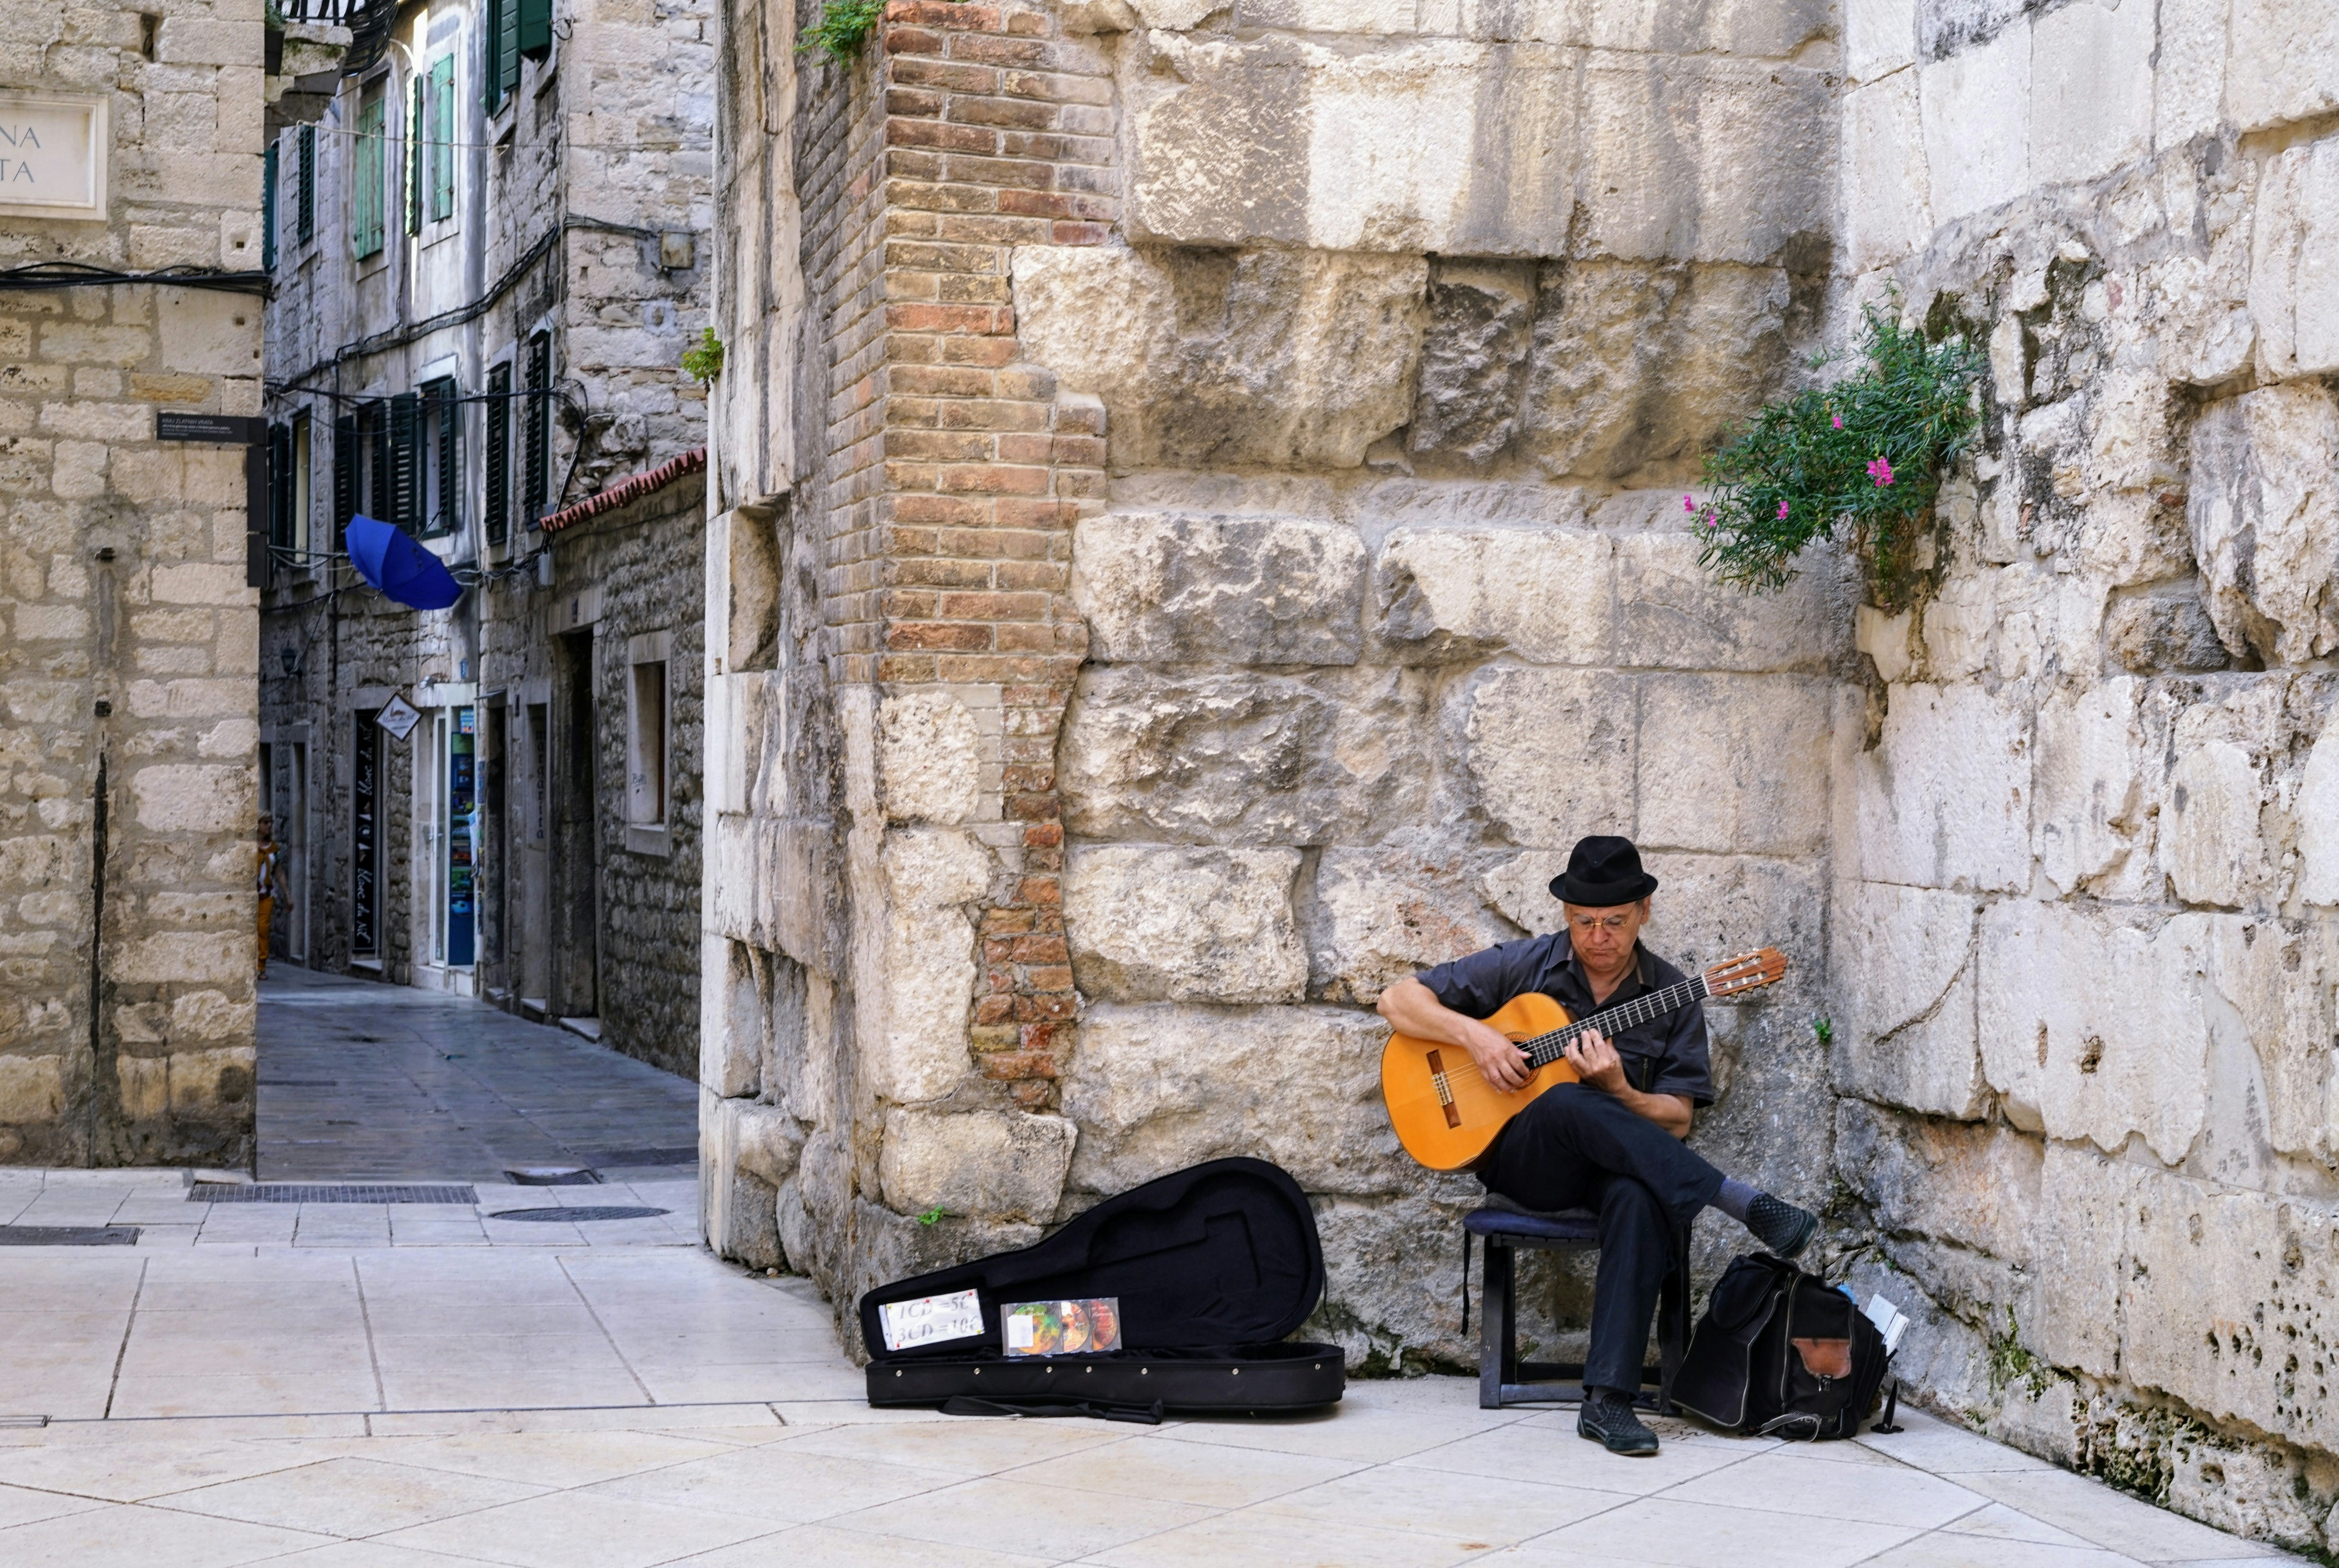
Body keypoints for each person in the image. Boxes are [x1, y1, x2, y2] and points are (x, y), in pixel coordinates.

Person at [1377, 834, 1817, 1457]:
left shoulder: (1672, 996)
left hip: (1611, 1167)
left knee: (1639, 1196)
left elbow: (1676, 1120)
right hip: (1523, 1159)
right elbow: (1397, 1000)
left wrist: (1618, 1090)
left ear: (1643, 913)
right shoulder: (1526, 964)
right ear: (1565, 916)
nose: (1598, 937)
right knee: (1560, 1101)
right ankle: (1736, 1200)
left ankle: (1606, 1402)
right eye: (1584, 922)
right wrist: (1477, 1039)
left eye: (1614, 922)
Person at [256, 814, 289, 980]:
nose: (269, 826)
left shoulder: (273, 849)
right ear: (257, 825)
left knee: (263, 929)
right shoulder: (248, 847)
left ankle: (261, 966)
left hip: (267, 894)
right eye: (265, 822)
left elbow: (280, 873)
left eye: (270, 823)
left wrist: (287, 895)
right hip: (251, 894)